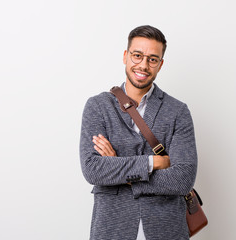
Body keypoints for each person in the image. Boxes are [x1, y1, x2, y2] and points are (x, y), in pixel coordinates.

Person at [79, 25, 198, 240]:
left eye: (152, 59)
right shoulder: (98, 106)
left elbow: (183, 179)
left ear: (160, 65)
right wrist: (153, 163)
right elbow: (93, 170)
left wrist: (119, 169)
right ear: (125, 56)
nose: (143, 65)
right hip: (112, 228)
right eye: (137, 55)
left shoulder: (178, 111)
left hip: (167, 229)